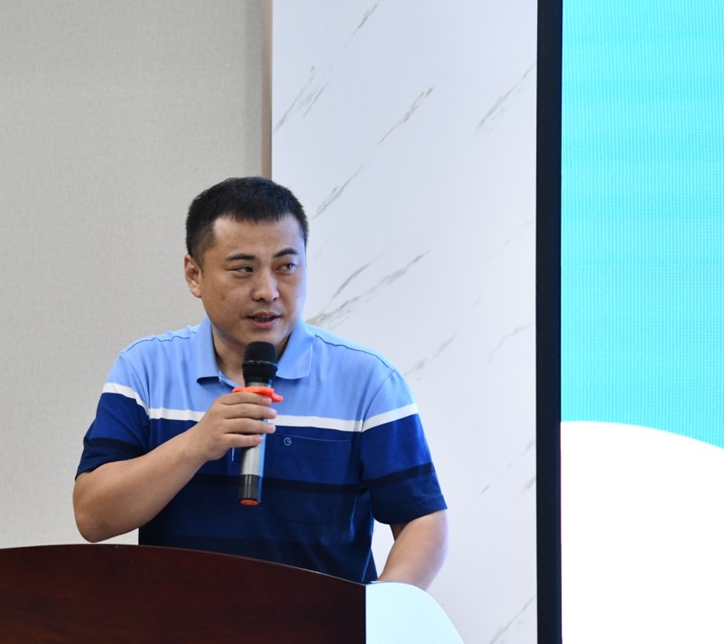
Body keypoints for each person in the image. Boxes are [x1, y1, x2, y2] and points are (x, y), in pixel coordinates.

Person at [73, 177, 448, 588]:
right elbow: (94, 517)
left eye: (286, 267)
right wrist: (196, 444)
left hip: (322, 621)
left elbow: (421, 519)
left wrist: (382, 611)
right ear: (194, 275)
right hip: (178, 619)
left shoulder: (367, 380)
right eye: (244, 269)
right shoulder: (145, 369)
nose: (267, 291)